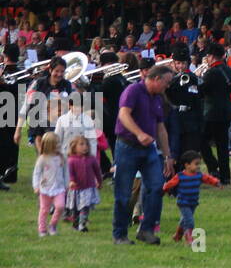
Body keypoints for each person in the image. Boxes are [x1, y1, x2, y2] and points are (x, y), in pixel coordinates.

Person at [113, 63, 176, 245]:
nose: (167, 86)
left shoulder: (157, 98)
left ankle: (146, 230)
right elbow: (124, 115)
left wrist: (167, 156)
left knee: (157, 187)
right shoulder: (133, 91)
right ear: (156, 79)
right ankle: (120, 234)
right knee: (124, 192)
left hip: (148, 150)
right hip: (127, 146)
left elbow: (160, 128)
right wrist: (139, 133)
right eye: (166, 82)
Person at [162, 150, 221, 244]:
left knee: (184, 220)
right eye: (196, 164)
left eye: (199, 164)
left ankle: (177, 235)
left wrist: (216, 182)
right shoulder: (180, 176)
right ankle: (189, 239)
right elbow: (171, 183)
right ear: (187, 165)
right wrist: (164, 188)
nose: (198, 166)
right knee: (189, 221)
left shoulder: (199, 175)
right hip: (183, 203)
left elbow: (208, 178)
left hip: (193, 202)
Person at [197, 45, 231, 185]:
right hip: (226, 111)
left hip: (212, 113)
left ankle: (213, 166)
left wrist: (199, 76)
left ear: (212, 56)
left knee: (201, 139)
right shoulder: (229, 71)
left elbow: (202, 90)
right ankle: (226, 175)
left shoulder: (211, 73)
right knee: (222, 145)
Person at [32, 132, 67, 237]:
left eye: (59, 144)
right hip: (45, 189)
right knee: (44, 210)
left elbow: (66, 172)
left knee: (60, 206)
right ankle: (42, 229)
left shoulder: (61, 158)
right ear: (48, 145)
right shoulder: (42, 159)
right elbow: (36, 174)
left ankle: (53, 225)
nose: (59, 146)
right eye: (56, 144)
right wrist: (36, 186)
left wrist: (66, 184)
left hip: (59, 188)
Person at [65, 134, 102, 232]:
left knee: (85, 207)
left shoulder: (91, 159)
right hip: (76, 189)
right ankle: (75, 223)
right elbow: (71, 173)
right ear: (74, 147)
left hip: (88, 188)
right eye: (81, 144)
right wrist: (72, 181)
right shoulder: (71, 160)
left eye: (86, 144)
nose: (84, 147)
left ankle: (82, 224)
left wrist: (99, 181)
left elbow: (97, 171)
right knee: (76, 209)